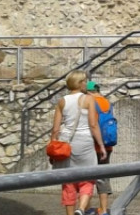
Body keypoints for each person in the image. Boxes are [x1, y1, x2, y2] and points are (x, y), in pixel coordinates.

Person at [51, 71, 108, 215]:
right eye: (84, 81)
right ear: (80, 83)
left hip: (66, 142)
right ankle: (81, 208)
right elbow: (93, 125)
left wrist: (53, 149)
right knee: (88, 178)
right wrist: (101, 146)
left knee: (68, 180)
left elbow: (55, 129)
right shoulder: (88, 99)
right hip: (85, 142)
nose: (86, 84)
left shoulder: (62, 101)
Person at [85, 81, 113, 215]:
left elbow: (92, 124)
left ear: (88, 91)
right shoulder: (107, 102)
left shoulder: (90, 102)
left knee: (86, 178)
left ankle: (85, 208)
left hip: (93, 145)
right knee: (103, 178)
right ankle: (103, 209)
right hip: (108, 145)